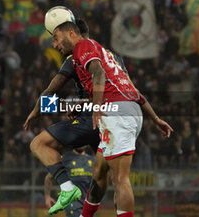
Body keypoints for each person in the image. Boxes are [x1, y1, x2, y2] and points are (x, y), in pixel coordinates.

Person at [25, 11, 172, 215]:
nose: (55, 45)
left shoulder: (79, 53)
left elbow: (52, 90)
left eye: (56, 38)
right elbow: (129, 89)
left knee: (40, 144)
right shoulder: (112, 57)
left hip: (101, 115)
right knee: (100, 173)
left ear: (73, 33)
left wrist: (37, 111)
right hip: (118, 110)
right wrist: (155, 118)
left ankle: (67, 188)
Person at [44, 146, 93, 217]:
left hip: (87, 204)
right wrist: (47, 196)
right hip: (73, 205)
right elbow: (48, 177)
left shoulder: (92, 160)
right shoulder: (65, 159)